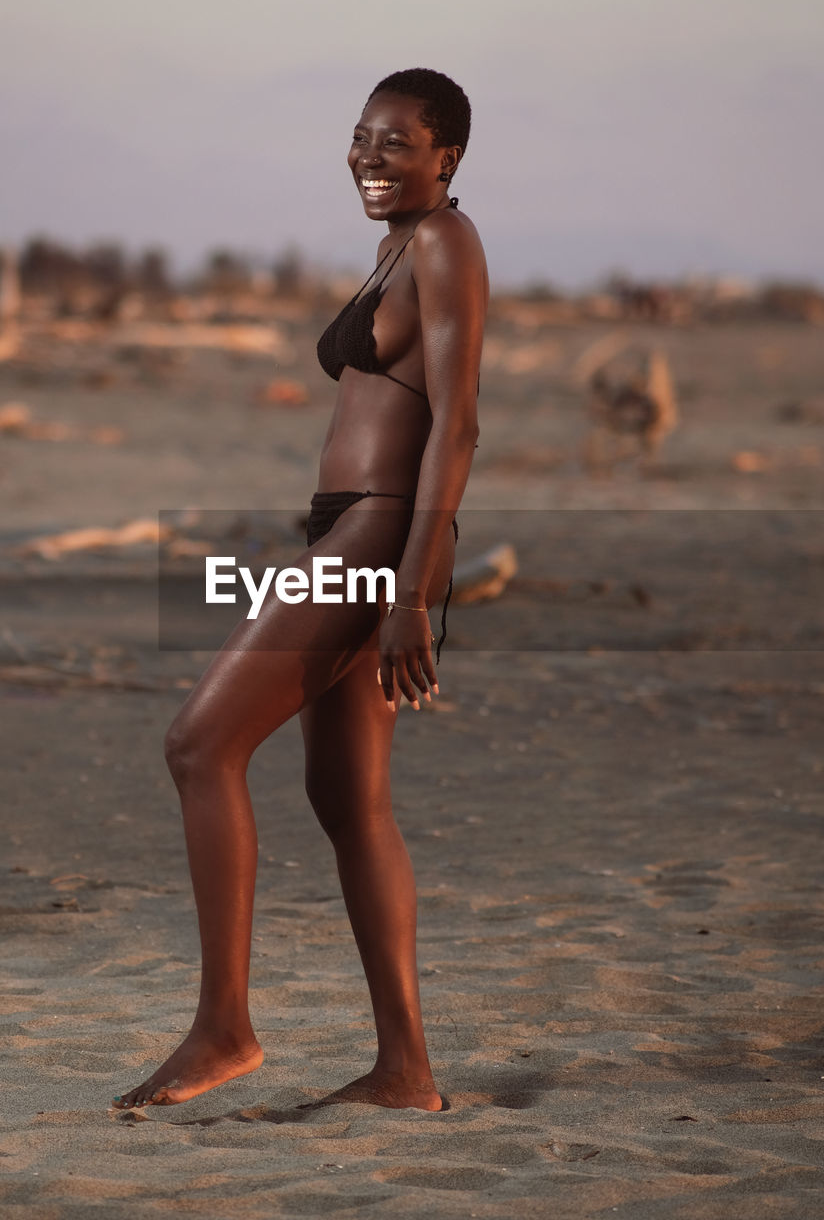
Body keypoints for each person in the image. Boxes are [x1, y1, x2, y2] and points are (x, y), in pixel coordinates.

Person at [114, 68, 488, 1113]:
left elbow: (455, 421)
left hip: (380, 533)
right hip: (349, 527)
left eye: (396, 142)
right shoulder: (399, 247)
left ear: (445, 155)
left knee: (199, 742)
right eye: (362, 138)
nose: (370, 155)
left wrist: (410, 587)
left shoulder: (450, 245)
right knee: (347, 796)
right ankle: (406, 1070)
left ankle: (224, 1028)